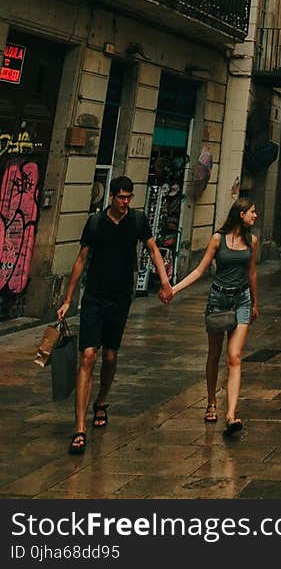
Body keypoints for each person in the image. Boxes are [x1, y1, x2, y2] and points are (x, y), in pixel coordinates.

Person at [57, 175, 173, 456]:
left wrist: (165, 281)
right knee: (88, 355)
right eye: (121, 198)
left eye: (129, 198)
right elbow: (81, 260)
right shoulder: (96, 222)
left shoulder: (136, 221)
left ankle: (102, 401)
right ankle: (80, 429)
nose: (125, 203)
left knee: (110, 355)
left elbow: (153, 249)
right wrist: (68, 299)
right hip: (94, 297)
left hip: (120, 298)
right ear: (111, 196)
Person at [171, 198, 259, 439]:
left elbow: (251, 272)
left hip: (241, 300)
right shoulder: (218, 239)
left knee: (234, 356)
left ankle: (231, 415)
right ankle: (211, 401)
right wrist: (174, 289)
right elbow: (200, 270)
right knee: (214, 353)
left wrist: (254, 303)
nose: (255, 215)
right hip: (218, 300)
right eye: (252, 211)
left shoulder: (252, 241)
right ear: (240, 214)